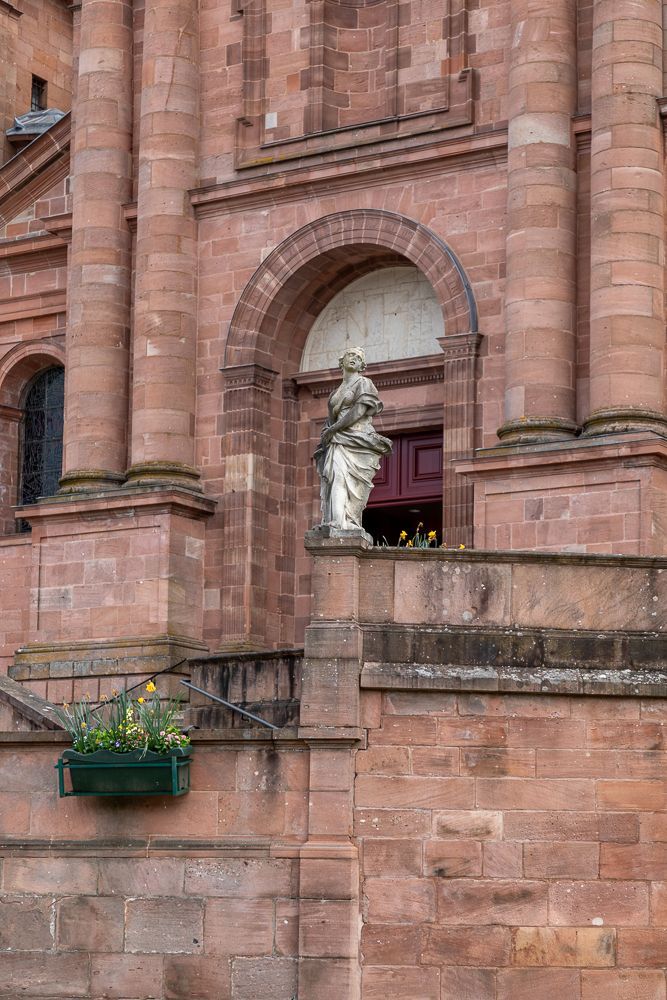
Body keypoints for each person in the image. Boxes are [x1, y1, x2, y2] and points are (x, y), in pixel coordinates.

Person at [314, 346, 392, 530]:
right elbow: (331, 419)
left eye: (358, 357)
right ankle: (337, 521)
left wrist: (333, 429)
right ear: (342, 361)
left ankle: (348, 520)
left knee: (353, 482)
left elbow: (359, 410)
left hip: (358, 437)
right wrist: (327, 434)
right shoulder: (335, 393)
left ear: (362, 365)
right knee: (336, 476)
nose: (354, 358)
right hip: (338, 439)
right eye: (350, 355)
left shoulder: (364, 383)